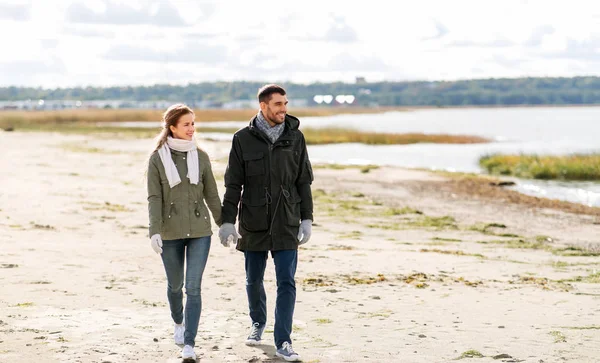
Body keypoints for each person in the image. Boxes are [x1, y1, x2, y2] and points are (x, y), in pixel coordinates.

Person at [219, 84, 314, 362]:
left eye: (285, 103)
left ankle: (283, 340)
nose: (284, 109)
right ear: (263, 106)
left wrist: (306, 218)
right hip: (254, 220)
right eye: (278, 104)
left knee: (287, 282)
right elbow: (233, 184)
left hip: (286, 221)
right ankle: (257, 321)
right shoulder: (242, 139)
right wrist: (227, 222)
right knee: (253, 279)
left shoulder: (295, 137)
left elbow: (303, 181)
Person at [146, 104, 222, 362]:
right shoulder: (157, 159)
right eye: (187, 124)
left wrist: (224, 223)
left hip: (200, 231)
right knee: (175, 285)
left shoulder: (201, 157)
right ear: (172, 128)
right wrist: (154, 230)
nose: (192, 129)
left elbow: (211, 194)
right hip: (169, 232)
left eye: (193, 123)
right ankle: (178, 322)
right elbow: (154, 197)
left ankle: (189, 342)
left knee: (194, 287)